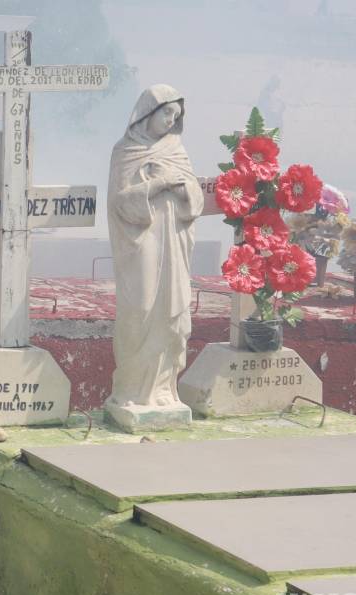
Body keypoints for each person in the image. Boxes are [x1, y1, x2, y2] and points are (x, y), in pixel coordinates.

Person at [106, 85, 204, 419]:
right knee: (142, 306)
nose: (170, 121)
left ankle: (163, 389)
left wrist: (182, 186)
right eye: (166, 113)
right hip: (142, 240)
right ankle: (132, 388)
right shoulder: (125, 151)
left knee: (170, 312)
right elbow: (119, 202)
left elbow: (196, 200)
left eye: (175, 116)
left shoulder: (177, 149)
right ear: (149, 111)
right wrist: (157, 185)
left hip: (174, 240)